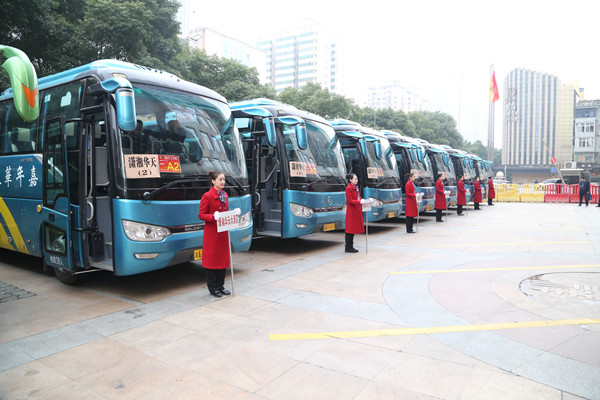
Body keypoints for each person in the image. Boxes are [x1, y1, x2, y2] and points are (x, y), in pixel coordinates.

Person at [198, 170, 234, 298]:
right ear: (213, 181)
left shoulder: (225, 194)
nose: (223, 182)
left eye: (224, 179)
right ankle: (212, 287)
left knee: (222, 260)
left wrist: (233, 214)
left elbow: (225, 212)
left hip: (223, 232)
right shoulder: (207, 196)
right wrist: (214, 216)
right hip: (212, 233)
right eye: (220, 179)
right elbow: (201, 215)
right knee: (212, 261)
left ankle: (220, 285)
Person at [345, 173, 365, 253]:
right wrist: (359, 201)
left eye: (357, 179)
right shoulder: (348, 188)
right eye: (355, 179)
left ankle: (350, 246)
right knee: (350, 229)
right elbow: (350, 200)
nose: (357, 180)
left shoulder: (356, 188)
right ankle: (348, 247)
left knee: (352, 229)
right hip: (351, 212)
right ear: (350, 180)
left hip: (356, 210)